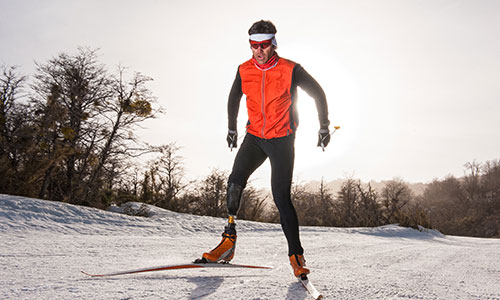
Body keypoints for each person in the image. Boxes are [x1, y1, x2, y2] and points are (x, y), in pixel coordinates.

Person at [200, 20, 330, 278]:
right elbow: (234, 97)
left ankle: (296, 256)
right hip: (255, 137)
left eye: (264, 45)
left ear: (273, 44)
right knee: (234, 182)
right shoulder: (244, 69)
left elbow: (318, 93)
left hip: (282, 140)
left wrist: (324, 126)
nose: (259, 50)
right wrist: (231, 128)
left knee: (281, 197)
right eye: (254, 46)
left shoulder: (291, 69)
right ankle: (228, 243)